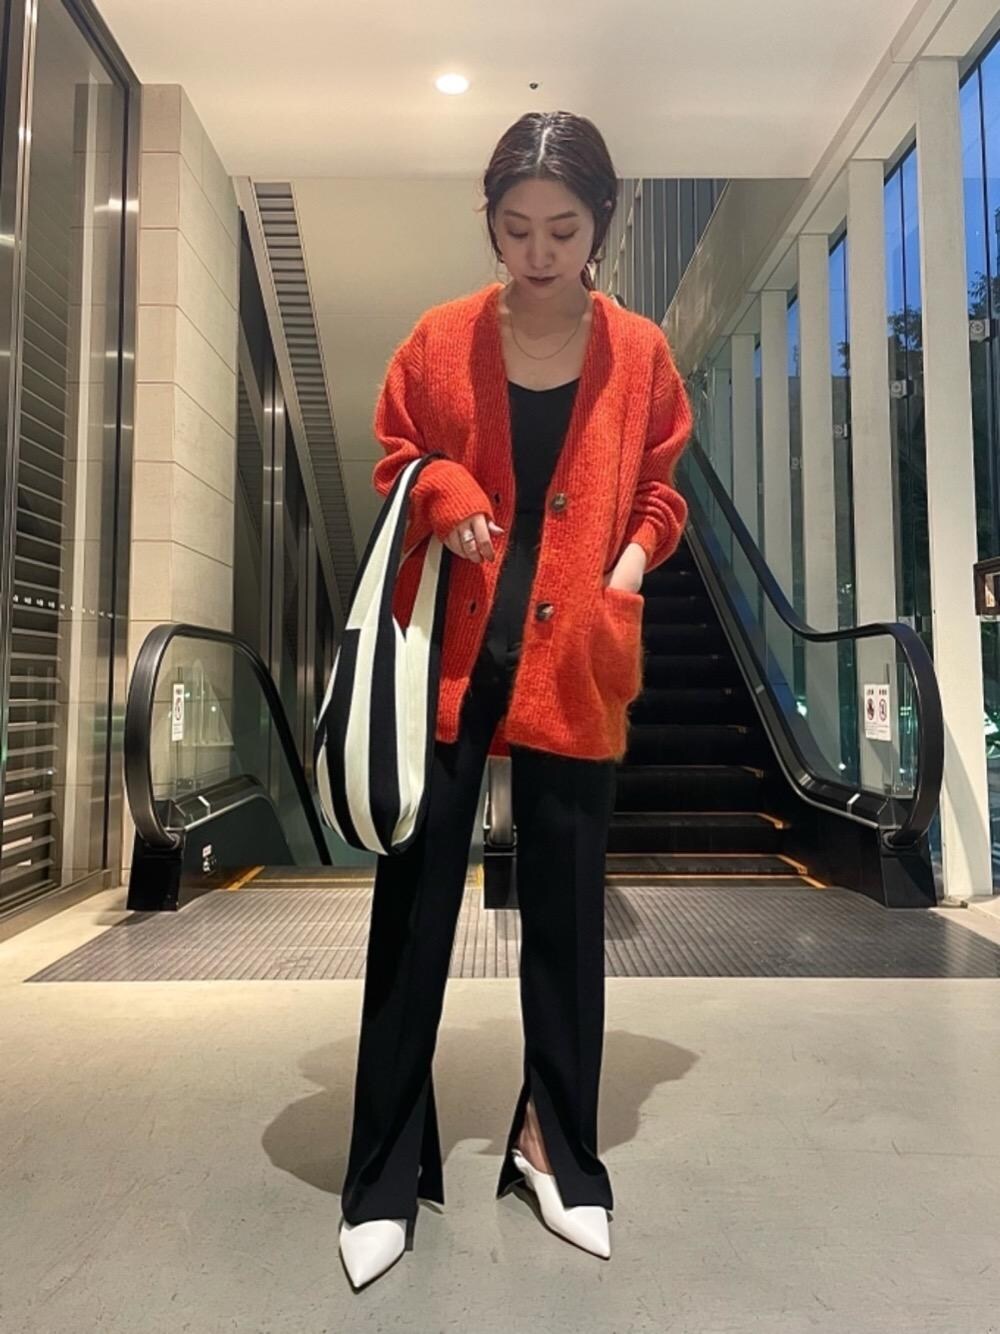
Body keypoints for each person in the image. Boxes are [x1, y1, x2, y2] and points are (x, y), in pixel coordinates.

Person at [338, 110, 692, 1289]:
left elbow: (660, 489)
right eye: (515, 226)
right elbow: (397, 456)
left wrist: (625, 568)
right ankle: (386, 1167)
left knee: (568, 913)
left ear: (602, 224)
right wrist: (441, 486)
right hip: (447, 653)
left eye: (564, 229)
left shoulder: (638, 350)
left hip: (576, 651)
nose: (538, 252)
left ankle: (555, 1146)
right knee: (412, 911)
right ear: (488, 220)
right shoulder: (441, 337)